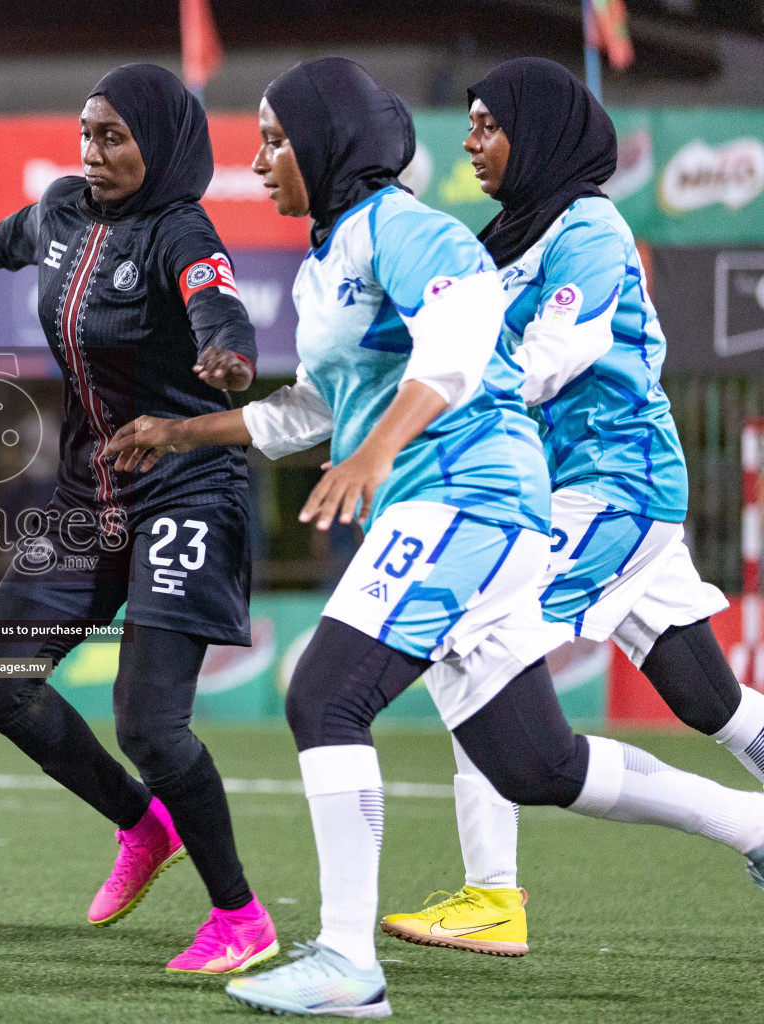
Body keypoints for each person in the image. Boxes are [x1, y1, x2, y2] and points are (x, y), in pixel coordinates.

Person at [103, 58, 764, 1017]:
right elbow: (310, 412)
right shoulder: (331, 263)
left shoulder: (406, 227)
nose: (257, 162)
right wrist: (183, 431)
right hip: (475, 496)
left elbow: (464, 342)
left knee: (324, 695)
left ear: (329, 143)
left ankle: (347, 959)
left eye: (277, 141)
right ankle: (749, 823)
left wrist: (376, 453)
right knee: (535, 762)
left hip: (479, 495)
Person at [380, 56, 764, 958]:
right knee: (706, 696)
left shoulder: (589, 229)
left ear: (541, 130)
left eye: (487, 125)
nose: (470, 144)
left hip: (612, 486)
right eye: (468, 125)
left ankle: (492, 897)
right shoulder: (506, 237)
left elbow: (557, 351)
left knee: (474, 631)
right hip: (584, 494)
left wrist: (440, 402)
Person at [0, 63, 276, 974]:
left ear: (157, 143)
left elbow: (217, 302)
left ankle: (240, 914)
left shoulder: (180, 228)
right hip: (92, 494)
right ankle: (139, 826)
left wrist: (228, 353)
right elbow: (10, 237)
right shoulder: (61, 208)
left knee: (151, 725)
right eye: (86, 132)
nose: (93, 151)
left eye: (113, 136)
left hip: (185, 488)